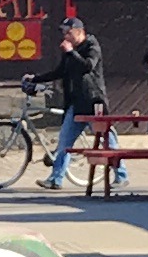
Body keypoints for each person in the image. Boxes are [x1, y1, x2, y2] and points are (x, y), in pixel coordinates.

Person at [45, 13, 106, 192]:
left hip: (93, 101)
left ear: (79, 32)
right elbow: (59, 72)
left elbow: (88, 66)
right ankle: (56, 179)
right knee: (64, 141)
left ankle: (121, 175)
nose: (65, 36)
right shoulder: (69, 51)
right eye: (64, 33)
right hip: (76, 102)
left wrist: (71, 52)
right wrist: (35, 79)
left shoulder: (92, 46)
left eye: (68, 32)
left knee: (107, 140)